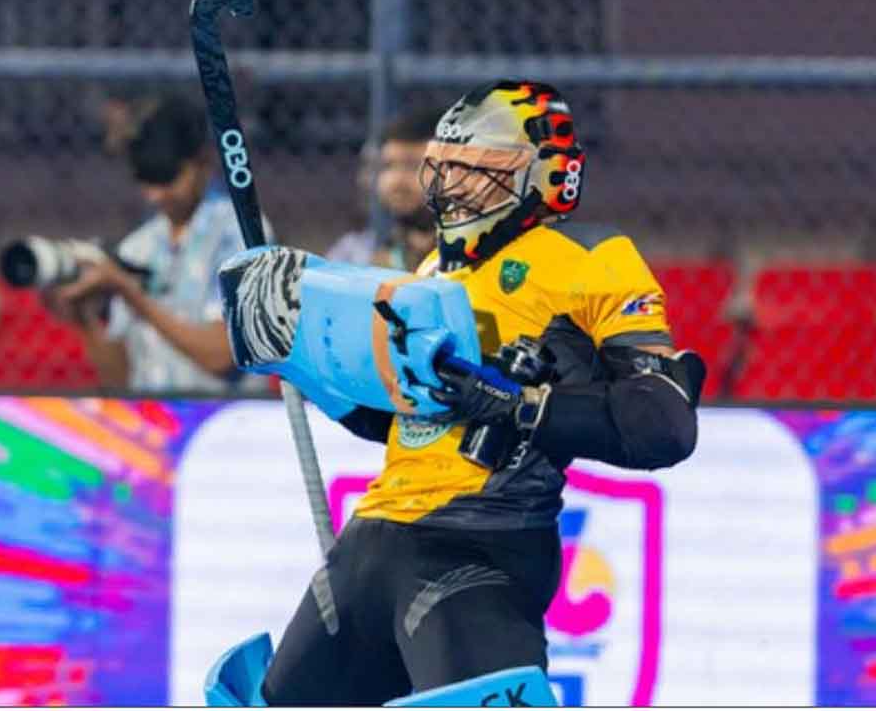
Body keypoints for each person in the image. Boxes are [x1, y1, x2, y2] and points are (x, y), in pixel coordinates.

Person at [260, 81, 706, 705]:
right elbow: (400, 417)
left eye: (479, 172)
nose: (453, 187)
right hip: (371, 542)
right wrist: (302, 361)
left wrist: (519, 406)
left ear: (544, 177)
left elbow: (665, 423)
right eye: (447, 169)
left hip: (476, 545)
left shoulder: (590, 258)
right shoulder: (433, 271)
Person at [49, 94, 272, 393]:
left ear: (202, 162)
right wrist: (82, 316)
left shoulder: (240, 233)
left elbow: (222, 356)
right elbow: (120, 381)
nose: (155, 195)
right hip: (149, 417)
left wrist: (131, 293)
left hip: (223, 416)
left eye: (167, 178)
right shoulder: (138, 246)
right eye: (145, 179)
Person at [325, 108, 442, 270]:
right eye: (388, 166)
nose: (395, 181)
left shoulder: (471, 259)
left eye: (413, 165)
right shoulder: (356, 255)